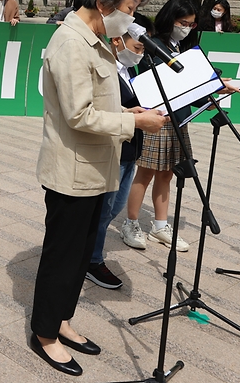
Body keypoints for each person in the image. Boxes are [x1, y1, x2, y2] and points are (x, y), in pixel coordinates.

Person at [31, 0, 167, 377]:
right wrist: (135, 123)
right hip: (73, 172)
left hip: (95, 170)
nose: (133, 16)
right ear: (103, 2)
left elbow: (99, 101)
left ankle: (63, 321)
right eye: (130, 6)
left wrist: (127, 109)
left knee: (81, 257)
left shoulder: (97, 37)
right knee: (62, 257)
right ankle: (45, 334)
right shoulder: (70, 42)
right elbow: (78, 115)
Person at [121, 0, 238, 252]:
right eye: (182, 22)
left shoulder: (182, 47)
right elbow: (174, 82)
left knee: (168, 172)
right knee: (146, 172)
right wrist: (215, 86)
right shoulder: (157, 45)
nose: (186, 27)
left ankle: (160, 225)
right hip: (156, 117)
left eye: (191, 24)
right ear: (169, 19)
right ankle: (130, 223)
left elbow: (190, 84)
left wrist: (215, 87)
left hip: (178, 119)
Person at [85, 14, 155, 290]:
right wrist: (132, 115)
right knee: (103, 210)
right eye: (137, 47)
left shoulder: (131, 71)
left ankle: (89, 254)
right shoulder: (105, 69)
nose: (140, 54)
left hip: (130, 150)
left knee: (112, 209)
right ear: (117, 40)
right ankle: (92, 260)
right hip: (113, 150)